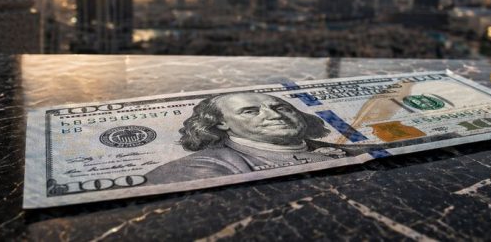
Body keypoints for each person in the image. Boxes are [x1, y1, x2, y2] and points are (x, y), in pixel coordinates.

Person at [145, 92, 349, 184]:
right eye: (250, 112)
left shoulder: (363, 150)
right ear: (220, 123)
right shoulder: (198, 168)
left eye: (282, 108)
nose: (276, 116)